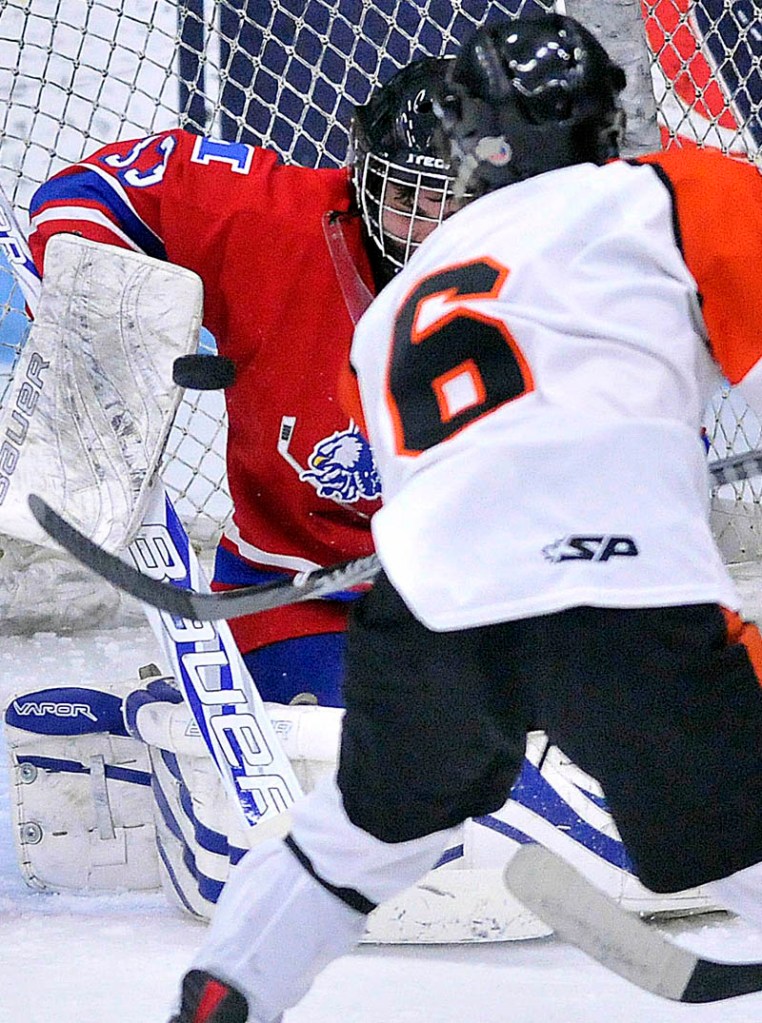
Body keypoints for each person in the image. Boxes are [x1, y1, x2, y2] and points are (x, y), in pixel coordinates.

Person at [163, 11, 762, 1023]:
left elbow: (431, 471)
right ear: (603, 118)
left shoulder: (401, 303)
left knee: (351, 843)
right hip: (622, 595)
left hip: (429, 612)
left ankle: (224, 999)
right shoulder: (675, 193)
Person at [27, 55, 456, 708]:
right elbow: (87, 193)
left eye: (453, 205)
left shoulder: (551, 266)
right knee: (379, 736)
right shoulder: (273, 221)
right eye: (406, 200)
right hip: (299, 587)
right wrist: (101, 316)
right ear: (364, 178)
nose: (427, 233)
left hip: (483, 593)